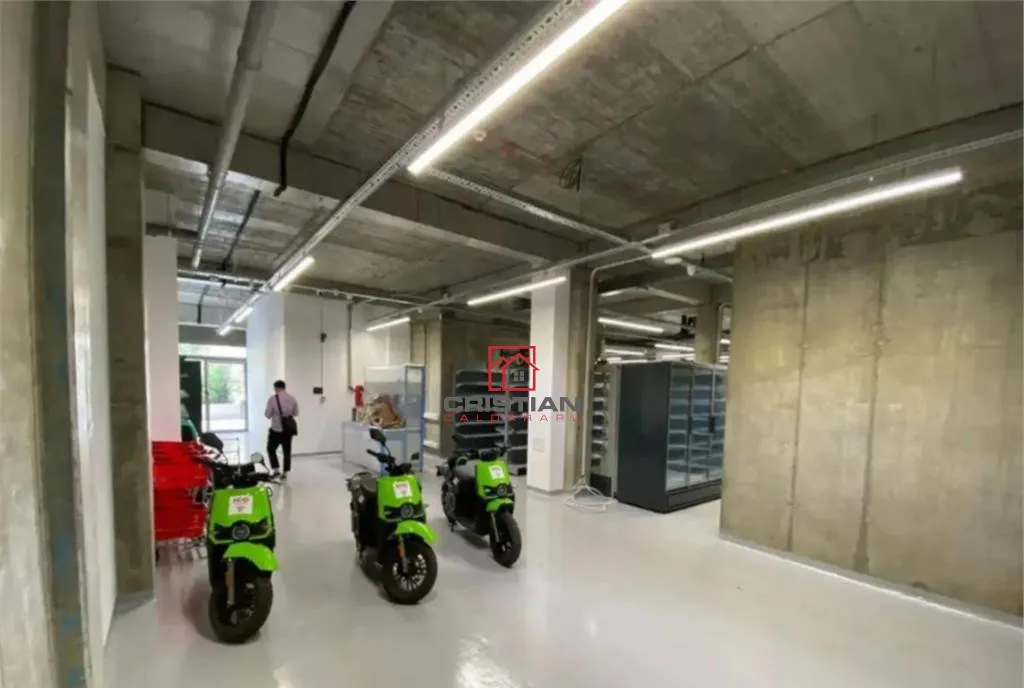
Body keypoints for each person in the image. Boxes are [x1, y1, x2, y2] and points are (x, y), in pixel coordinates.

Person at [265, 380, 298, 479]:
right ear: (284, 387)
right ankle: (285, 473)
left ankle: (276, 470)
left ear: (276, 388)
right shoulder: (292, 399)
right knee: (287, 452)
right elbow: (296, 413)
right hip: (288, 430)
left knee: (271, 449)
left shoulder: (272, 399)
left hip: (276, 429)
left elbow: (267, 415)